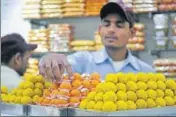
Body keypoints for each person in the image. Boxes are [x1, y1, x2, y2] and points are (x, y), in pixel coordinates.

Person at [39, 2, 155, 81]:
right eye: (106, 24)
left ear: (132, 32)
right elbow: (62, 65)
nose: (111, 30)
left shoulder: (146, 72)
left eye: (119, 25)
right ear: (100, 30)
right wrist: (48, 59)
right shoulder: (82, 61)